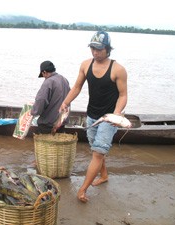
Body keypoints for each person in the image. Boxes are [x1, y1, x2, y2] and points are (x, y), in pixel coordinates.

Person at [59, 31, 128, 203]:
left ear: (107, 49)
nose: (95, 52)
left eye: (99, 49)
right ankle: (103, 175)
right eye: (92, 48)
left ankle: (82, 190)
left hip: (108, 118)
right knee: (96, 150)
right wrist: (65, 102)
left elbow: (123, 95)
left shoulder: (118, 69)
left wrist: (116, 114)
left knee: (97, 153)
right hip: (91, 116)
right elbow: (76, 87)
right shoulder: (85, 65)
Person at [31, 60, 70, 134]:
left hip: (48, 124)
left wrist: (33, 111)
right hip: (61, 123)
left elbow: (41, 100)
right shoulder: (65, 80)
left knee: (45, 145)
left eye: (43, 75)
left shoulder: (48, 82)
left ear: (44, 72)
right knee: (58, 145)